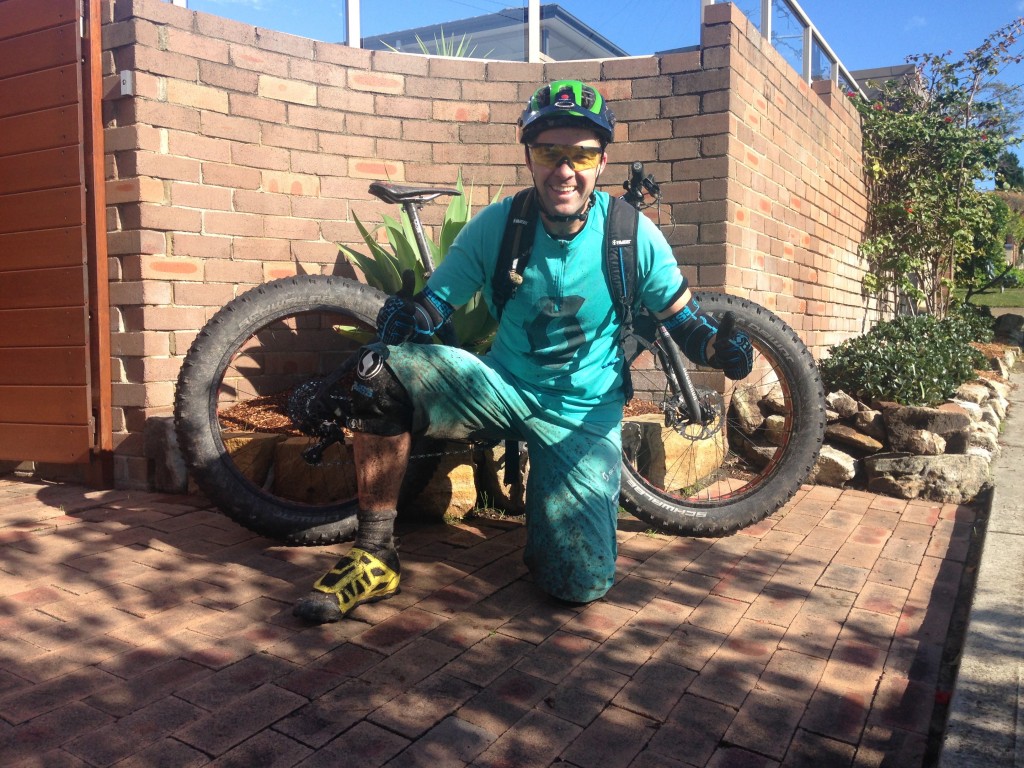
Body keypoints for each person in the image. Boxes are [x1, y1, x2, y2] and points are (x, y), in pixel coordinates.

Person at [293, 79, 752, 624]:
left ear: (601, 161)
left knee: (578, 587)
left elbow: (687, 325)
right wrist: (409, 315)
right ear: (530, 158)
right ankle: (374, 555)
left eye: (580, 153)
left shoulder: (632, 234)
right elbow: (439, 302)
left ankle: (555, 519)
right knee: (382, 374)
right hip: (502, 390)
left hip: (584, 416)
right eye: (548, 152)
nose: (564, 168)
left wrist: (719, 349)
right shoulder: (502, 225)